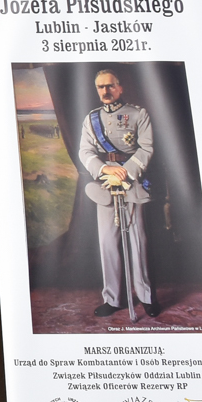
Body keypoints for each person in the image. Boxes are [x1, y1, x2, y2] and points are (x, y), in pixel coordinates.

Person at [77, 68, 158, 318]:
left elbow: (146, 147)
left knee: (138, 241)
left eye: (110, 86)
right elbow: (85, 152)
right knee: (107, 242)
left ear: (120, 87)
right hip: (105, 183)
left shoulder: (138, 114)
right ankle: (112, 298)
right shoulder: (91, 119)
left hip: (131, 181)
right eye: (101, 87)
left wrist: (128, 170)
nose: (105, 91)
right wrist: (104, 170)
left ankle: (145, 296)